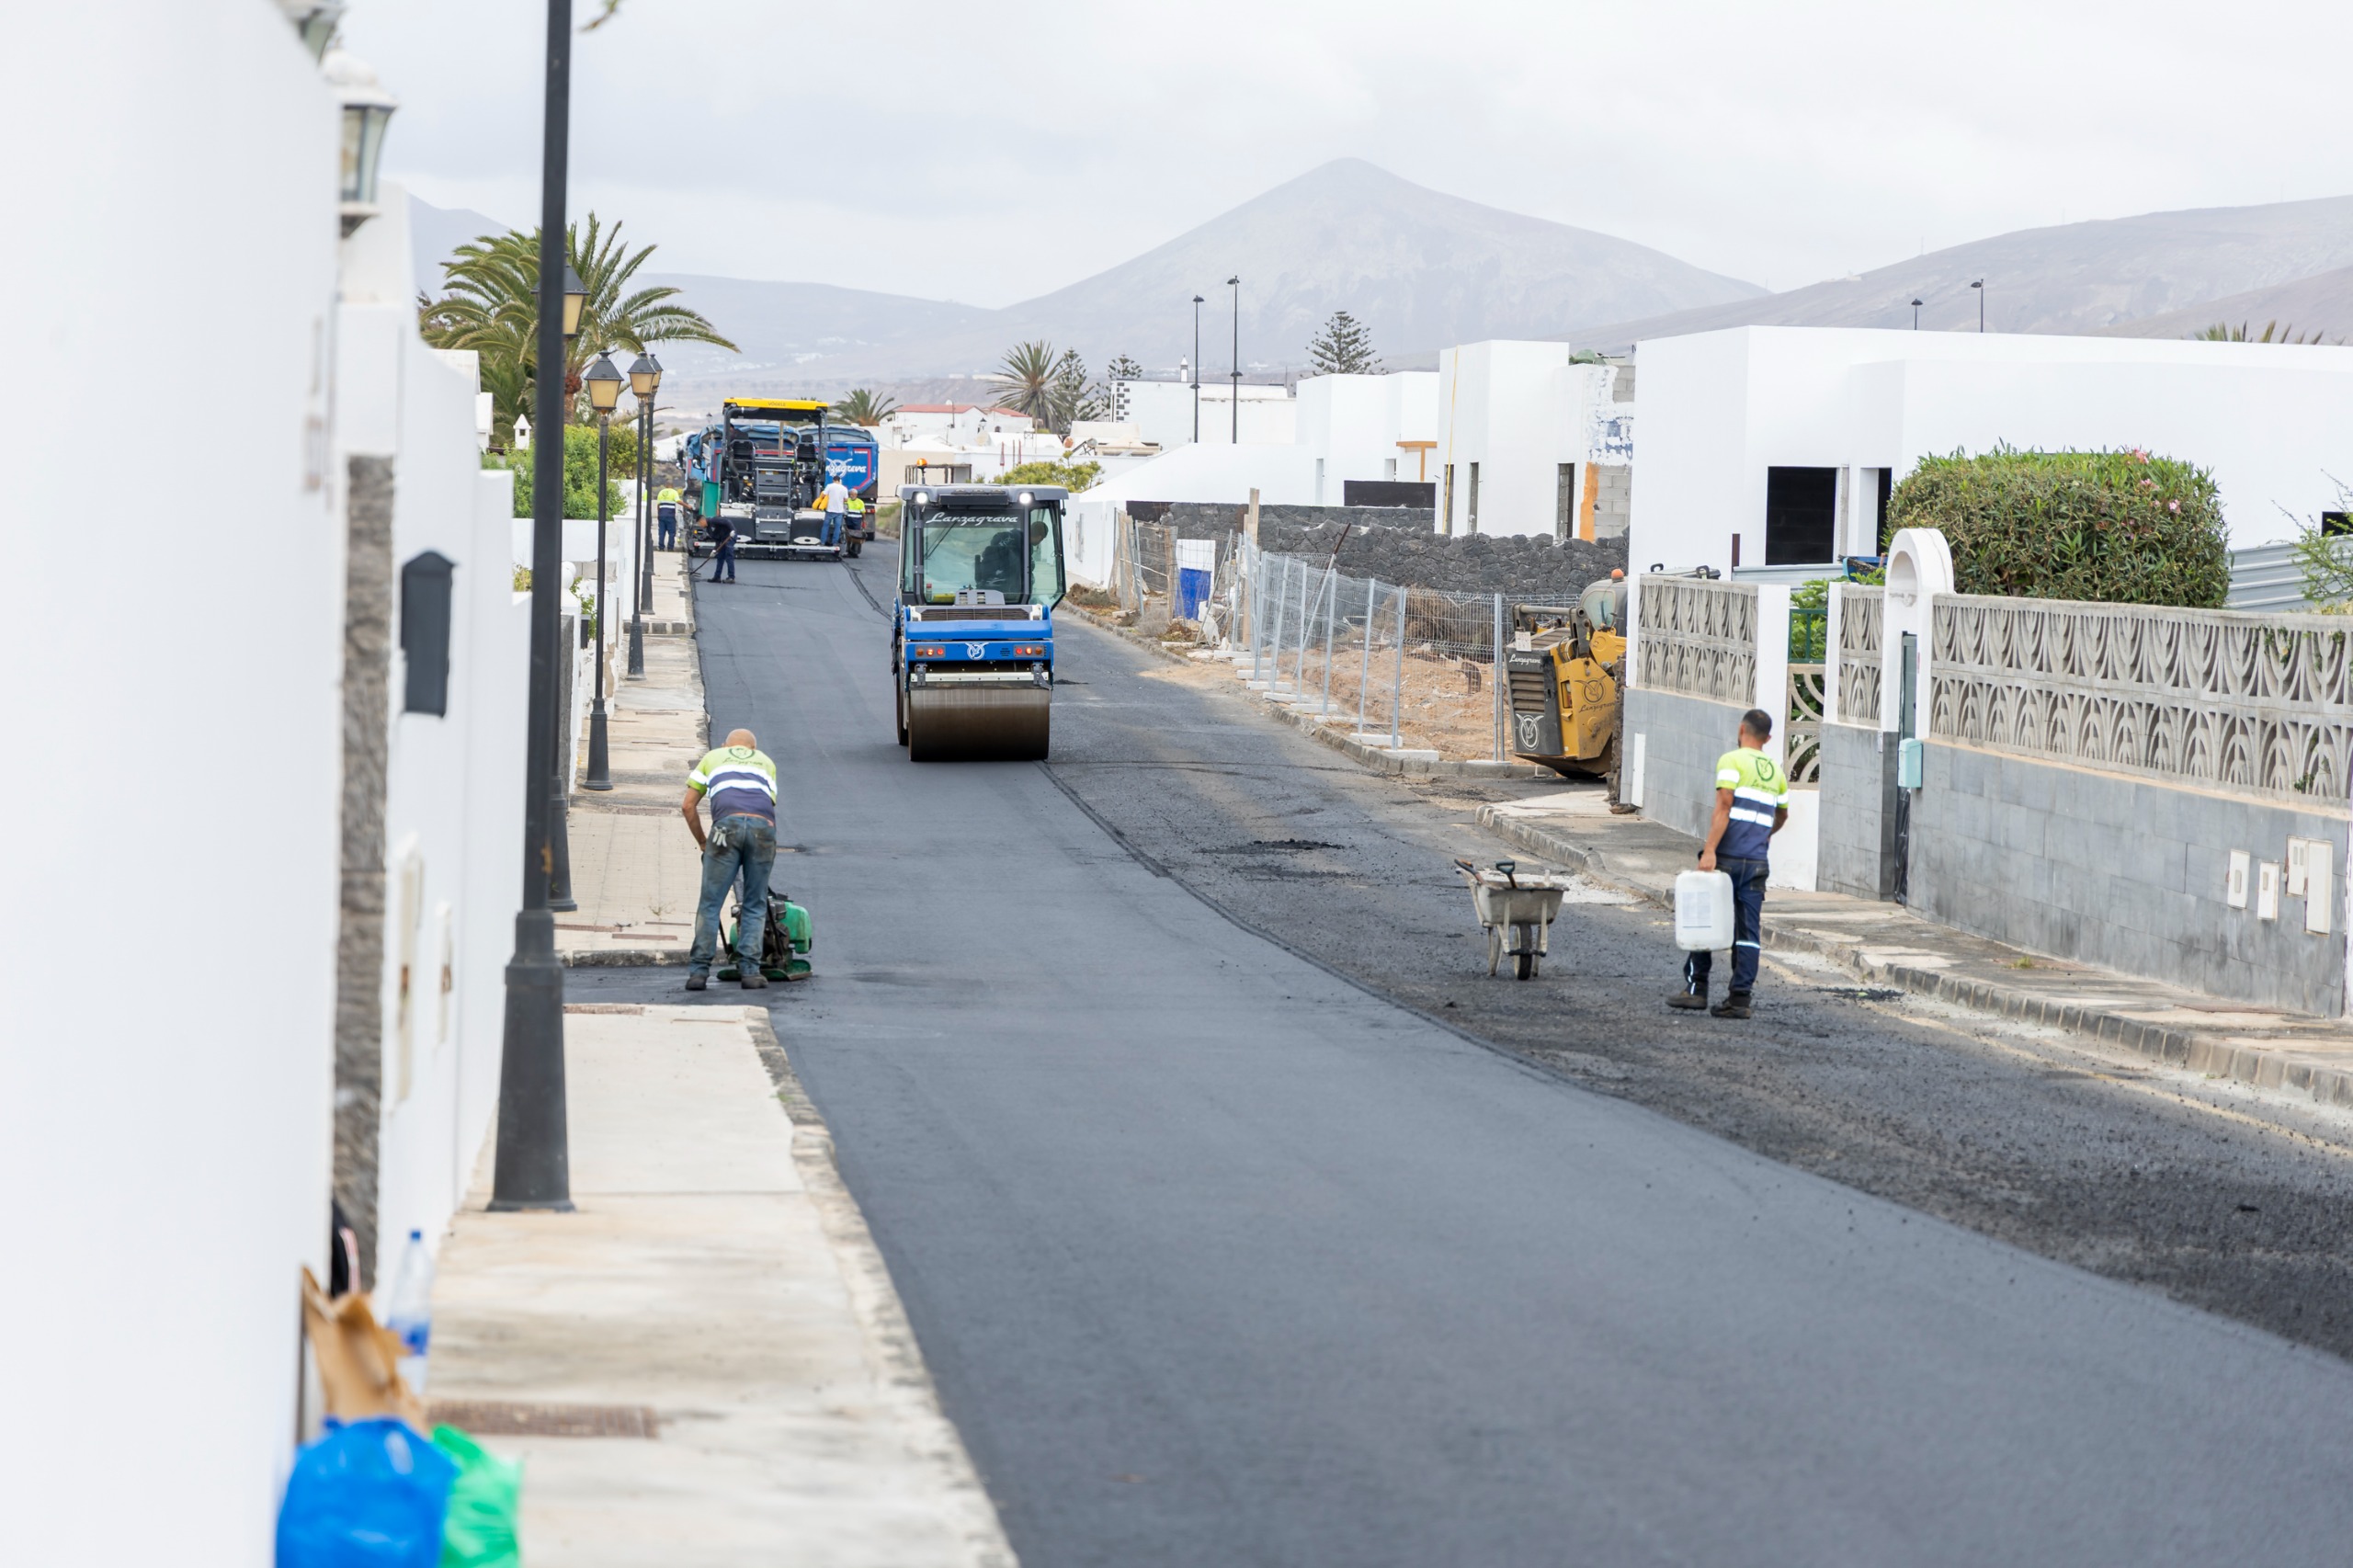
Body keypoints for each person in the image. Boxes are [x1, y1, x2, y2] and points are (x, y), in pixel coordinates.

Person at [1669, 707, 1788, 1019]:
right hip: (1757, 860)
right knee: (1748, 931)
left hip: (1728, 858)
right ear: (1769, 738)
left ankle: (1697, 990)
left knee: (1703, 917)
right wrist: (1764, 835)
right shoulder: (1775, 770)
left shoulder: (1731, 760)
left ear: (1740, 730)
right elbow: (1782, 815)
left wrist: (1709, 850)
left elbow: (1724, 805)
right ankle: (1739, 1000)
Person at [682, 729, 779, 991]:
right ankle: (750, 971)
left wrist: (703, 842)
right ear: (753, 751)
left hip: (725, 830)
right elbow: (766, 805)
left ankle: (699, 973)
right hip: (762, 830)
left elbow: (687, 806)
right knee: (755, 903)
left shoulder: (713, 757)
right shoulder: (766, 762)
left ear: (726, 746)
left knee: (711, 903)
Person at [818, 475, 850, 549]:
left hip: (830, 510)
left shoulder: (830, 486)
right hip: (839, 511)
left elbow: (823, 495)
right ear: (839, 480)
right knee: (837, 527)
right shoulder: (844, 488)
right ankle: (834, 543)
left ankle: (823, 542)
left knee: (826, 526)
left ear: (833, 480)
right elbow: (846, 500)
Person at [709, 510, 736, 583]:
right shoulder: (708, 529)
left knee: (728, 555)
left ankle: (731, 577)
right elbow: (717, 540)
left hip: (730, 536)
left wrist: (733, 530)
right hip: (724, 539)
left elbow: (727, 522)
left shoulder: (713, 520)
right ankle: (717, 577)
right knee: (720, 556)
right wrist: (715, 550)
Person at [656, 484, 681, 550]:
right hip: (670, 515)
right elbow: (678, 501)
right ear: (672, 486)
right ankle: (670, 548)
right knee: (671, 533)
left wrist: (658, 515)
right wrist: (687, 506)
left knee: (661, 532)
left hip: (661, 515)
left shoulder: (661, 492)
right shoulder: (674, 492)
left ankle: (661, 547)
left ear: (666, 486)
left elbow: (658, 505)